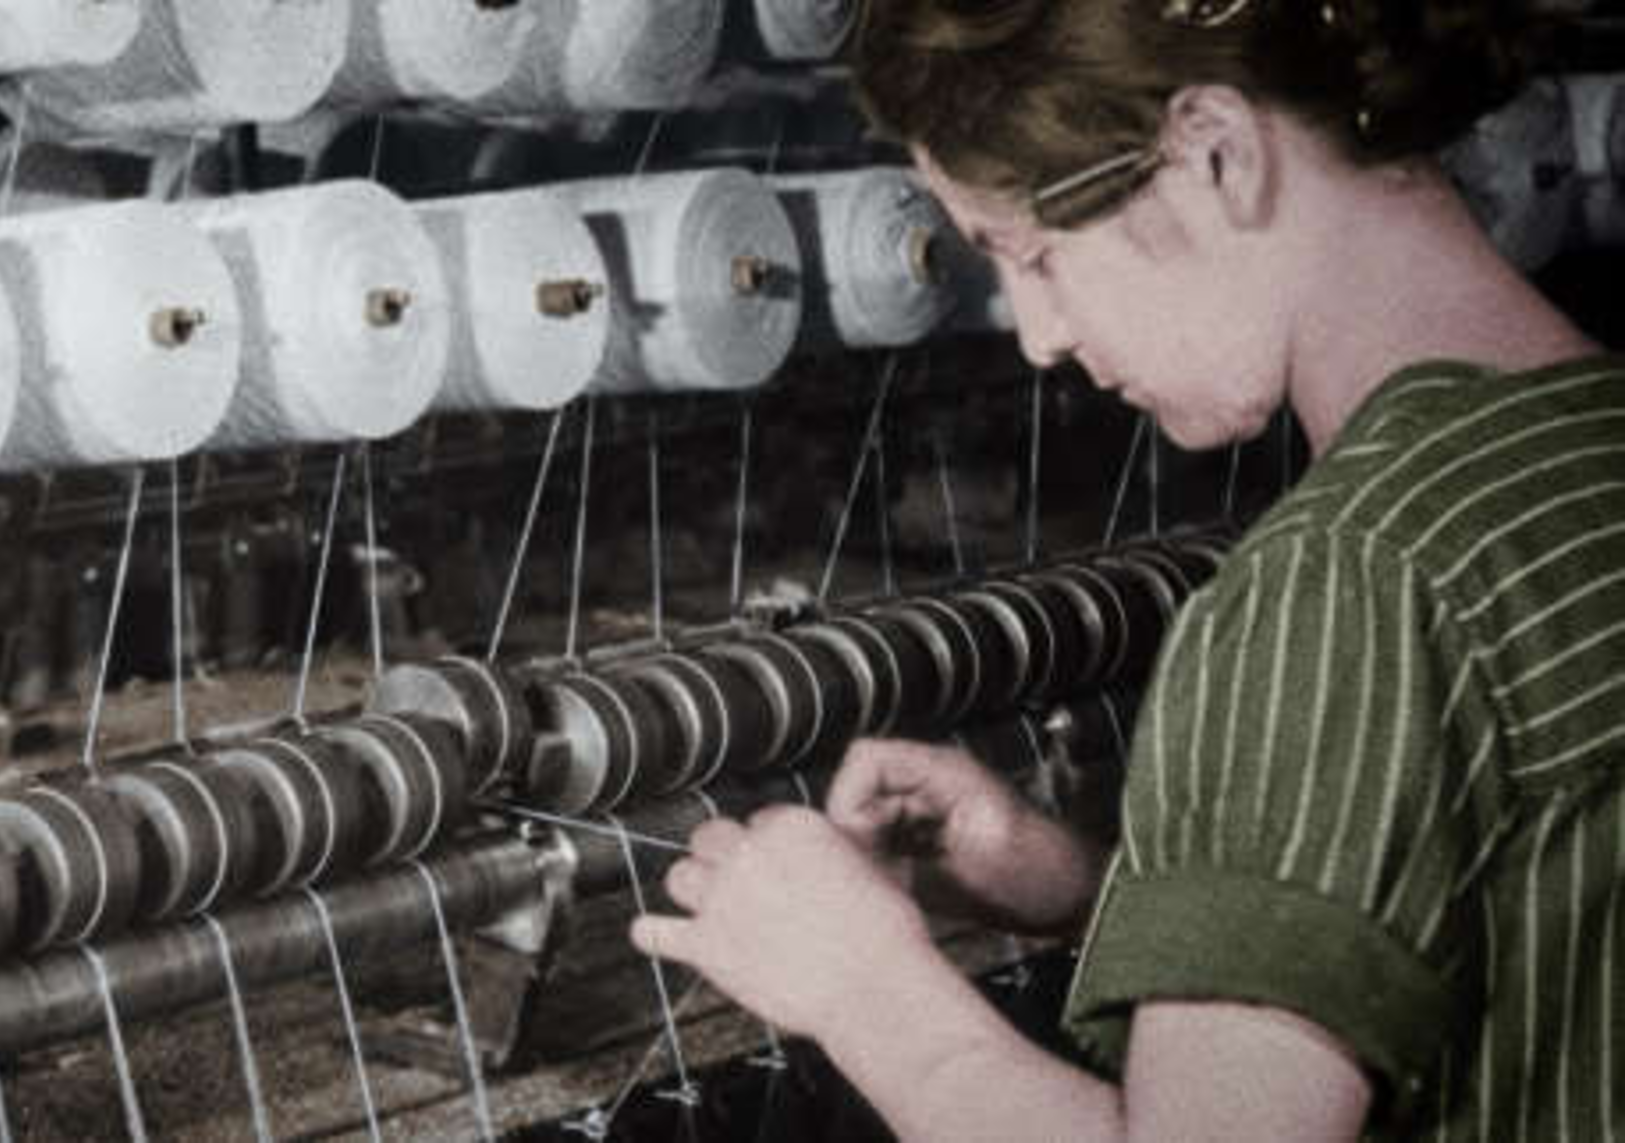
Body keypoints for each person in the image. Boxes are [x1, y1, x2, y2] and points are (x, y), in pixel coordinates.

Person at [631, 1, 1623, 1138]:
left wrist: (866, 991)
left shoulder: (1350, 579)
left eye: (1034, 256)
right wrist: (1099, 893)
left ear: (1215, 152)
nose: (1039, 336)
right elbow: (1528, 942)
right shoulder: (1575, 449)